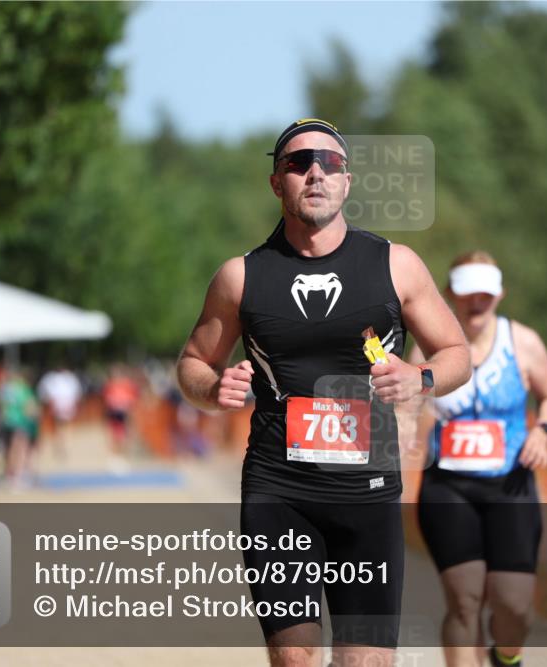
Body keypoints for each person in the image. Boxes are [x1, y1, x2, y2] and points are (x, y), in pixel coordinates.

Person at [176, 118, 471, 667]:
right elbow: (192, 363)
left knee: (367, 662)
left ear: (347, 181)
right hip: (279, 491)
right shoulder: (241, 277)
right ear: (276, 182)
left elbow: (457, 355)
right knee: (295, 659)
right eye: (298, 163)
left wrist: (420, 379)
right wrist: (213, 388)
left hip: (368, 494)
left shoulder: (395, 265)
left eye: (330, 162)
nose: (316, 173)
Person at [400, 251, 547, 667]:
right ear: (449, 293)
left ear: (499, 295)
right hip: (448, 487)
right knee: (464, 600)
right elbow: (406, 404)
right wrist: (402, 430)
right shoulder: (429, 348)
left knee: (514, 606)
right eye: (468, 293)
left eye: (485, 294)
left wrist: (542, 432)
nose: (476, 302)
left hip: (510, 484)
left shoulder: (523, 342)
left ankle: (505, 657)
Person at [37, 364, 84, 459]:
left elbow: (43, 391)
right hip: (60, 404)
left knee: (62, 426)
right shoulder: (59, 378)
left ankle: (62, 445)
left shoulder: (62, 378)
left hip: (62, 404)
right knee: (61, 426)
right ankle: (61, 445)